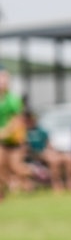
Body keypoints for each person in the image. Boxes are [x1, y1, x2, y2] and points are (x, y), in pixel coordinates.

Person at [0, 70, 29, 199]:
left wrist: (5, 131)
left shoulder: (13, 99)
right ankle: (2, 192)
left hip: (13, 140)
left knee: (16, 167)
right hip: (1, 140)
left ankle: (33, 174)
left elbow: (17, 119)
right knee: (0, 164)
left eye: (4, 79)